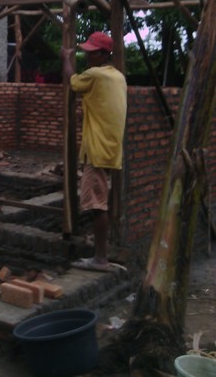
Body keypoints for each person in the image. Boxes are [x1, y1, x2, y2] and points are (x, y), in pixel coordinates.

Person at [61, 31, 127, 272]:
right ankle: (100, 251)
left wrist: (66, 58)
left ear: (102, 54)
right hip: (110, 148)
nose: (87, 56)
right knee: (99, 200)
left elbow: (72, 81)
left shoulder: (96, 75)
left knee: (97, 204)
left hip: (97, 150)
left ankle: (100, 258)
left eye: (90, 52)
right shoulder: (117, 77)